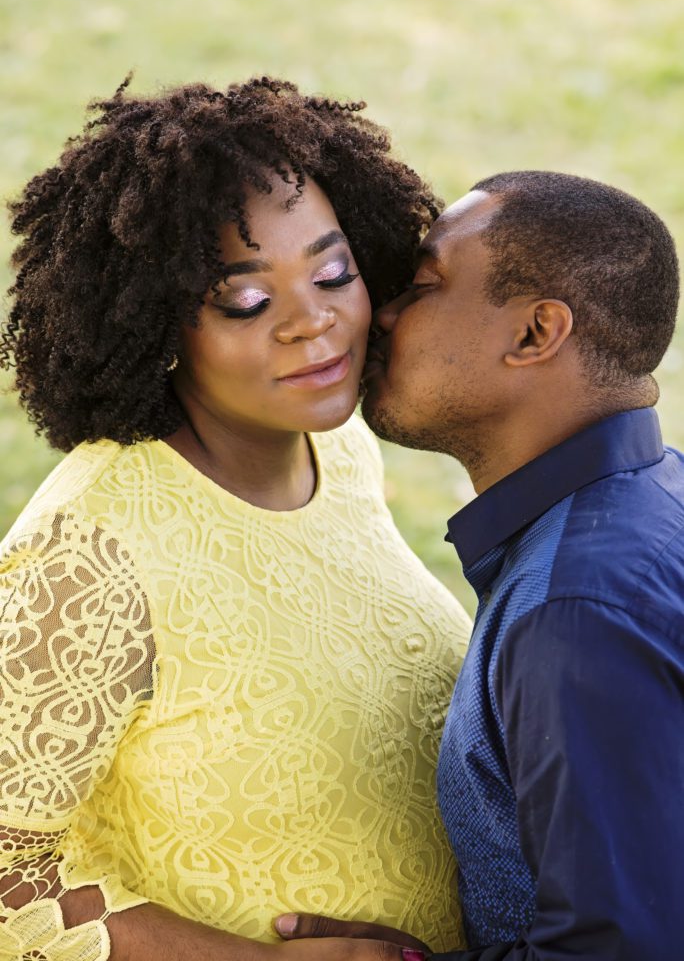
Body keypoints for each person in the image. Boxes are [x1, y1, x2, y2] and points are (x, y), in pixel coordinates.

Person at [0, 77, 472, 961]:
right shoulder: (91, 555)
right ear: (153, 320)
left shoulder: (339, 453)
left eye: (334, 273)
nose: (314, 322)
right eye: (248, 302)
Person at [275, 171, 684, 959]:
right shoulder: (657, 492)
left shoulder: (575, 614)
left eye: (423, 286)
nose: (381, 315)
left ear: (536, 334)